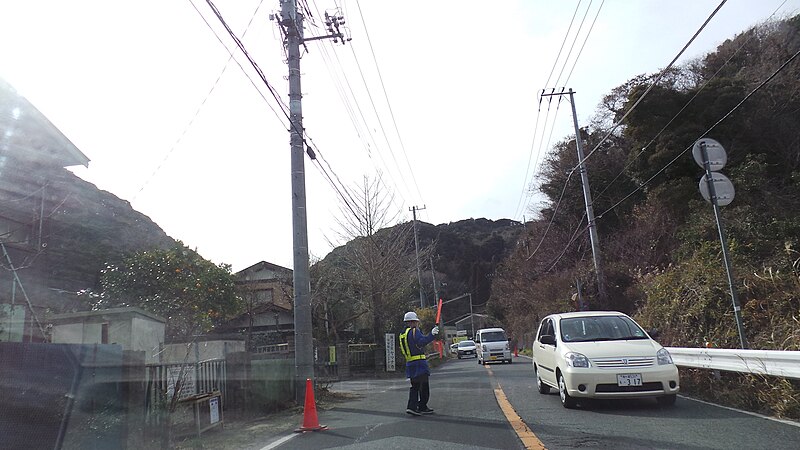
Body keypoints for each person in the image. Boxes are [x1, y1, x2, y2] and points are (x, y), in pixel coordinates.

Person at [398, 311, 439, 416]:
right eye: (416, 321)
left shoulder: (403, 334)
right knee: (424, 386)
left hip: (410, 363)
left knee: (415, 386)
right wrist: (432, 334)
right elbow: (421, 342)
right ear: (413, 322)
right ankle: (420, 407)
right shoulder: (414, 331)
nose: (417, 323)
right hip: (419, 364)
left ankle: (413, 406)